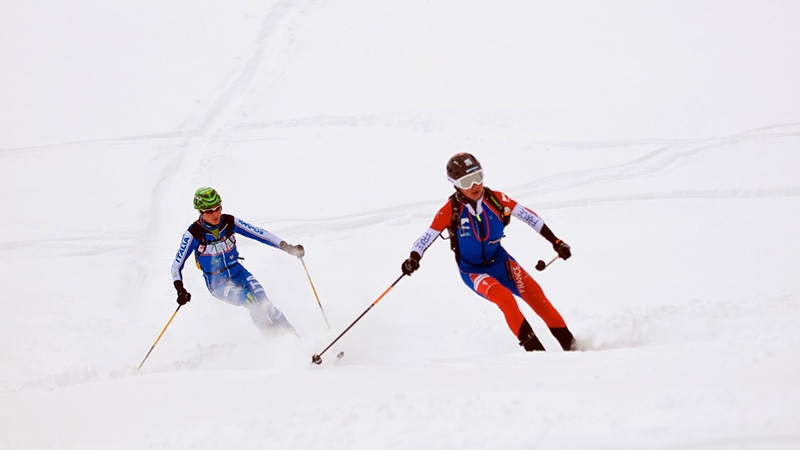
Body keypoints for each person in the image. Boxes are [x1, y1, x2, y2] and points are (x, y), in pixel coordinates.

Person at [400, 153, 576, 352]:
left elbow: (530, 217)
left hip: (502, 262)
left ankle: (575, 349)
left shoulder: (496, 199)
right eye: (467, 181)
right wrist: (413, 258)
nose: (475, 185)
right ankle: (538, 355)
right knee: (504, 298)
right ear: (455, 184)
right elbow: (425, 238)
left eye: (478, 177)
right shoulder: (451, 210)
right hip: (473, 271)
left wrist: (556, 241)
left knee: (537, 297)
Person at [170, 187, 305, 337]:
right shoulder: (193, 233)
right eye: (209, 211)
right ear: (200, 212)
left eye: (218, 208)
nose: (215, 214)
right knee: (249, 300)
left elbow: (260, 234)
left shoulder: (229, 222)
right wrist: (180, 289)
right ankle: (275, 341)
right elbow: (176, 265)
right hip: (217, 282)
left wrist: (287, 247)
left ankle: (295, 338)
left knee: (264, 301)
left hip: (238, 271)